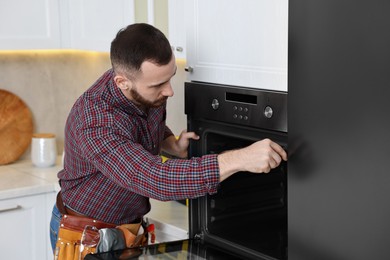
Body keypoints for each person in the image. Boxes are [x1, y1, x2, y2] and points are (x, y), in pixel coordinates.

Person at [49, 23, 287, 251]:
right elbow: (155, 178)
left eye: (171, 77)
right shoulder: (94, 121)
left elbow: (137, 126)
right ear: (122, 82)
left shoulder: (139, 87)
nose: (170, 91)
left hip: (129, 229)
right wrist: (240, 159)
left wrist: (170, 143)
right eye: (158, 85)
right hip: (87, 236)